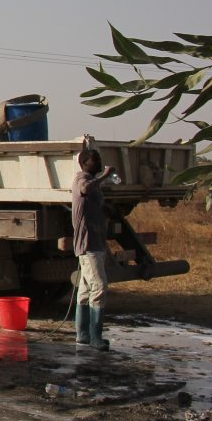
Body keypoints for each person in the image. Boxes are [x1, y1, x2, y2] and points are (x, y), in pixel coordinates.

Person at [72, 146, 116, 350]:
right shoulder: (81, 179)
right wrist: (104, 176)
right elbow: (84, 189)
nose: (98, 163)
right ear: (84, 163)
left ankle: (83, 334)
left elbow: (93, 201)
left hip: (96, 241)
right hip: (88, 243)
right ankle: (95, 337)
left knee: (85, 289)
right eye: (95, 160)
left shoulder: (92, 182)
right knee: (99, 286)